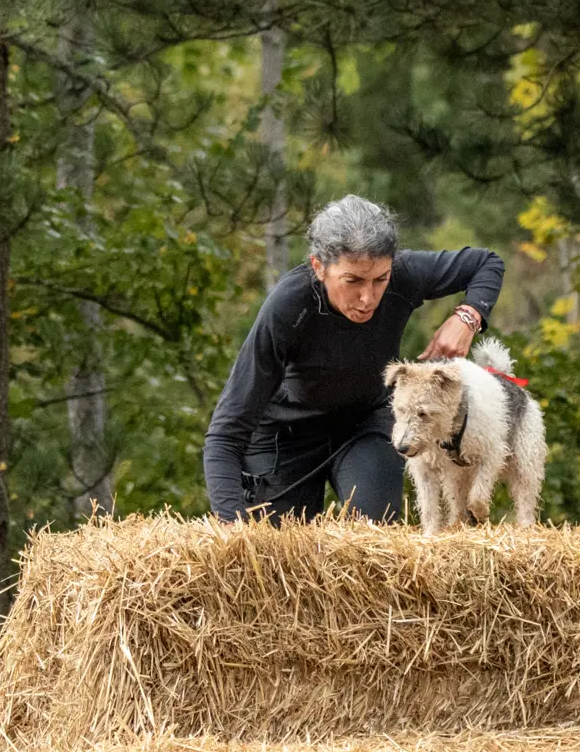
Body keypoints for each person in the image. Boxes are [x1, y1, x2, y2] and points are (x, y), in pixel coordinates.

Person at [203, 194, 504, 522]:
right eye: (353, 281)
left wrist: (467, 317)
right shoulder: (288, 307)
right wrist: (233, 528)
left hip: (364, 423)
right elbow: (226, 431)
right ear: (319, 267)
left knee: (372, 534)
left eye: (380, 280)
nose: (368, 297)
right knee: (278, 552)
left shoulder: (405, 273)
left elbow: (487, 263)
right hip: (285, 435)